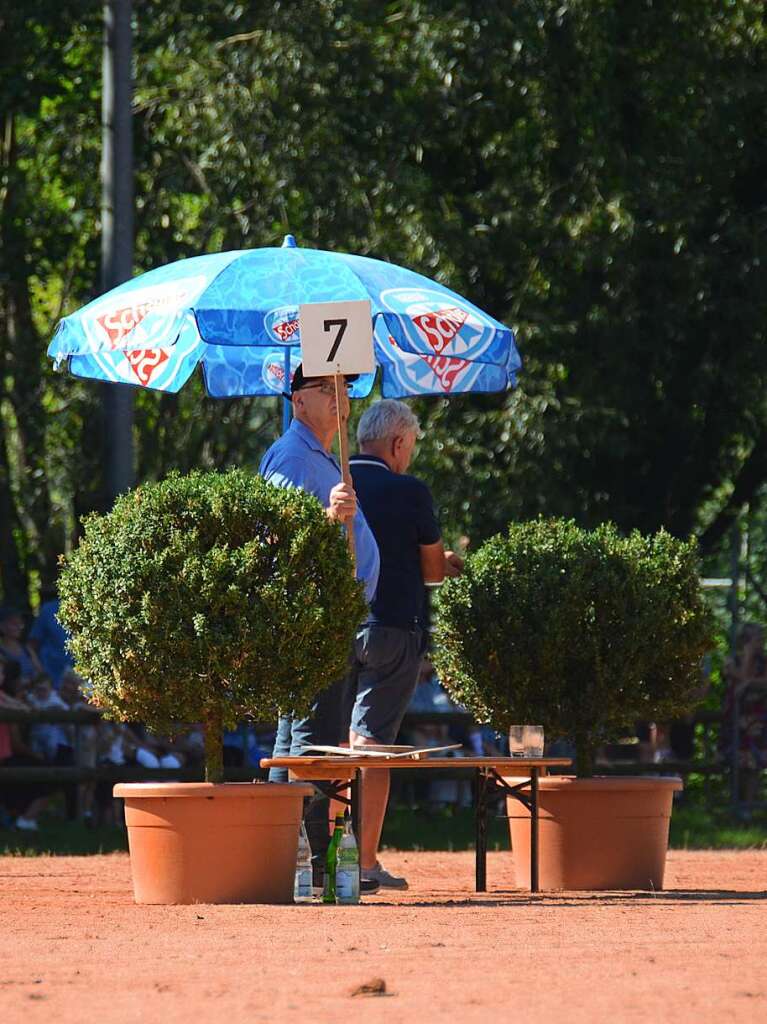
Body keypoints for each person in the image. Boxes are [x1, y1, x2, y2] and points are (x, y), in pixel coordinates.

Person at [259, 363, 380, 888]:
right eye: (324, 387)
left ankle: (290, 860)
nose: (338, 396)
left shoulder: (322, 456)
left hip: (330, 619)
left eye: (344, 387)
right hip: (312, 623)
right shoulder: (291, 455)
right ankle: (305, 866)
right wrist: (328, 519)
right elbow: (274, 541)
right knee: (312, 747)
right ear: (296, 399)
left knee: (300, 745)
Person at [345, 399, 463, 890]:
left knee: (326, 741)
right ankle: (364, 864)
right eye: (410, 448)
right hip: (393, 628)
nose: (409, 457)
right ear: (397, 443)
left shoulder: (335, 480)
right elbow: (432, 571)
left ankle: (318, 855)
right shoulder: (408, 490)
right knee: (373, 748)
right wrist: (447, 560)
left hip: (334, 627)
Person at [721, 622, 767, 808]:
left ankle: (747, 806)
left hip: (756, 720)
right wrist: (747, 657)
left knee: (753, 764)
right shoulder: (732, 659)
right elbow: (730, 674)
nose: (758, 642)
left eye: (759, 637)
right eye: (753, 638)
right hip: (735, 720)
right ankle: (734, 805)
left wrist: (746, 683)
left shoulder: (764, 662)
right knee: (736, 763)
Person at [29, 590, 74, 688]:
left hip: (78, 677)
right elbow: (33, 644)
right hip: (52, 674)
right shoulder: (48, 609)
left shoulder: (90, 609)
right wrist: (39, 670)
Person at [0, 607, 43, 685]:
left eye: (20, 623)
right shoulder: (1, 652)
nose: (19, 627)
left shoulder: (26, 649)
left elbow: (41, 673)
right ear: (2, 626)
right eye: (14, 623)